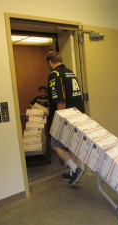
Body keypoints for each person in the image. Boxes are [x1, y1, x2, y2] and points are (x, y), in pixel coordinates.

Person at [46, 51, 85, 186]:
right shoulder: (70, 73)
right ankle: (73, 173)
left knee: (55, 145)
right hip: (78, 115)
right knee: (72, 145)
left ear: (50, 62)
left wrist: (59, 122)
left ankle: (75, 169)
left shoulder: (54, 75)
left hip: (66, 117)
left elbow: (60, 101)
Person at [29, 86, 51, 164]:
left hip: (45, 117)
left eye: (44, 92)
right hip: (37, 117)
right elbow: (30, 104)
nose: (43, 93)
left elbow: (50, 107)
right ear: (39, 92)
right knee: (38, 134)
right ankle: (37, 152)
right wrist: (34, 108)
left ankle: (45, 151)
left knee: (45, 134)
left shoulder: (48, 99)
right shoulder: (37, 99)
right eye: (41, 92)